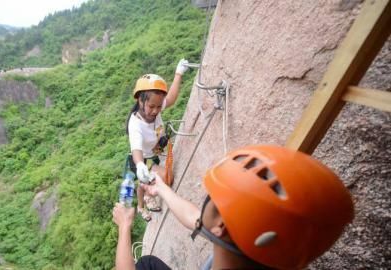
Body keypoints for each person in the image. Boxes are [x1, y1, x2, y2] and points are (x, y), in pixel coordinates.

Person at [113, 145, 354, 269]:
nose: (207, 198)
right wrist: (162, 189)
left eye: (213, 196)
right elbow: (198, 218)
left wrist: (125, 226)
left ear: (221, 226)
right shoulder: (269, 252)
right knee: (147, 264)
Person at [126, 59, 189, 221]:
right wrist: (140, 165)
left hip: (155, 151)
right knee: (166, 178)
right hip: (143, 158)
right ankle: (144, 201)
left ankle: (142, 199)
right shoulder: (135, 124)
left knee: (144, 179)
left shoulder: (156, 104)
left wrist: (178, 74)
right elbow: (136, 149)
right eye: (151, 106)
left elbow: (172, 98)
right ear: (140, 100)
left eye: (159, 106)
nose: (155, 111)